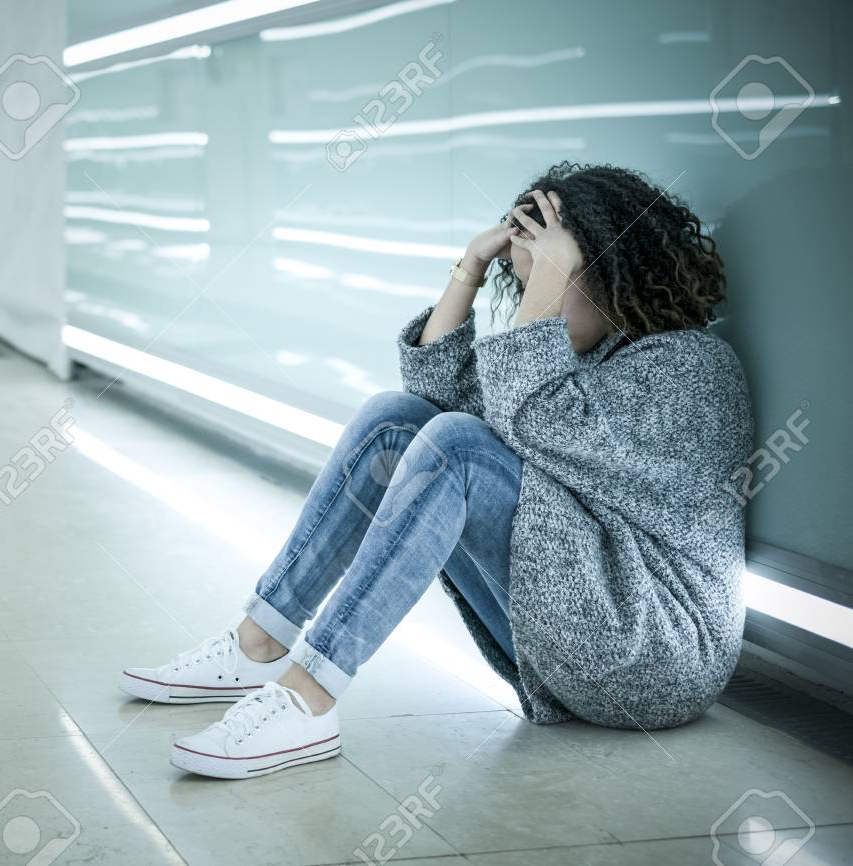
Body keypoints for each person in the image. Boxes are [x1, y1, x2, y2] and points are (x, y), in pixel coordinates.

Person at [119, 162, 753, 780]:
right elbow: (436, 392)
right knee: (399, 419)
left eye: (551, 282)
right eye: (526, 282)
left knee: (460, 446)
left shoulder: (691, 369)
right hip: (582, 625)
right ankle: (260, 641)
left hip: (657, 655)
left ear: (613, 272)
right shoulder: (581, 357)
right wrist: (469, 271)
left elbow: (521, 416)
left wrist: (546, 277)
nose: (540, 306)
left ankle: (308, 697)